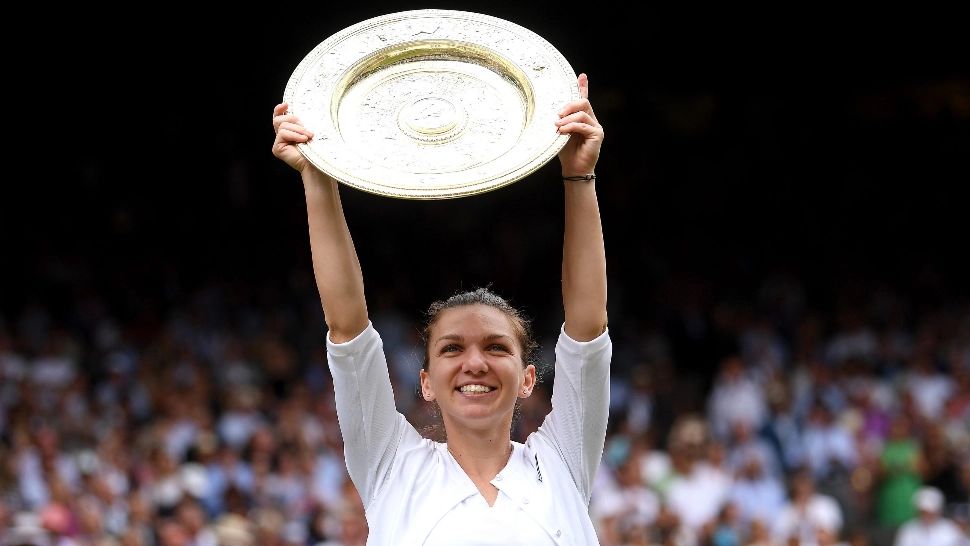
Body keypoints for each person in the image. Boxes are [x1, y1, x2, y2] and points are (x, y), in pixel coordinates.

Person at [271, 72, 609, 545]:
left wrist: (578, 175)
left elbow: (588, 329)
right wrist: (318, 175)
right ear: (425, 382)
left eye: (496, 347)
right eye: (451, 349)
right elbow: (347, 327)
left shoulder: (561, 463)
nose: (475, 363)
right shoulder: (393, 467)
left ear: (528, 378)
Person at [893, 486, 965, 546]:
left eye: (931, 512)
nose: (928, 515)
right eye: (924, 512)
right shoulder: (908, 529)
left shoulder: (951, 529)